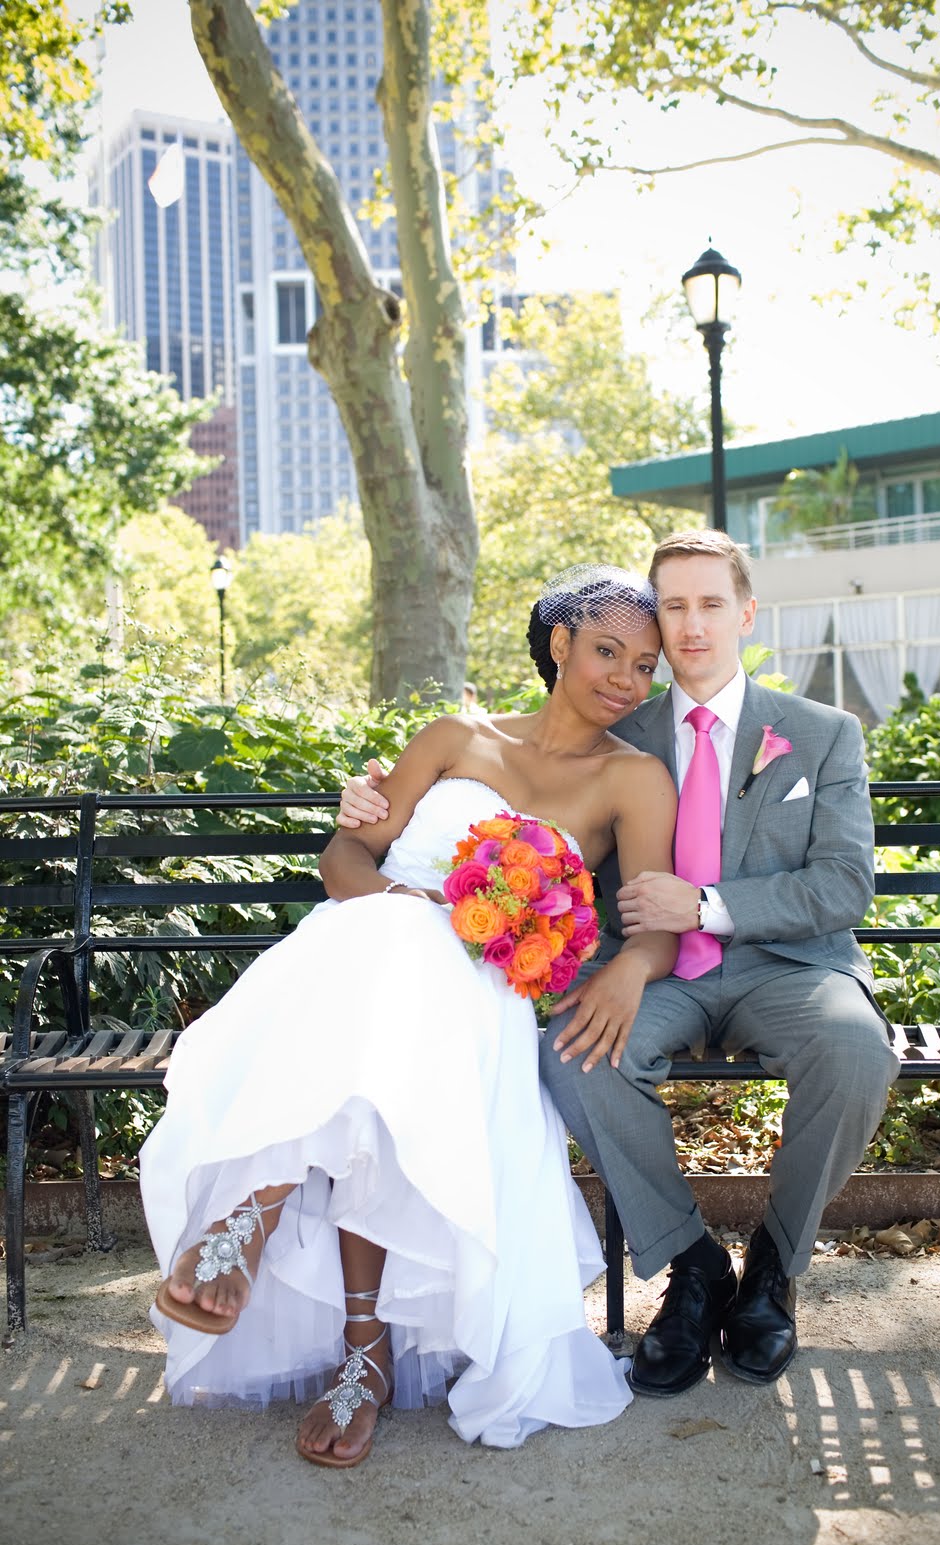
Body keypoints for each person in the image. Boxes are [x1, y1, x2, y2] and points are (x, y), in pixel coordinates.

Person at [140, 563, 679, 1464]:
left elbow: (653, 919)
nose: (626, 679)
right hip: (363, 949)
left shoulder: (634, 777)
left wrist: (631, 968)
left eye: (645, 665)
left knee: (400, 1014)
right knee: (393, 980)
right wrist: (407, 906)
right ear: (559, 644)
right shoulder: (455, 736)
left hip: (475, 992)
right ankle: (361, 1349)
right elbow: (343, 859)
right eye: (607, 652)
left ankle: (250, 1225)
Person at [340, 533, 899, 1399]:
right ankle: (692, 1264)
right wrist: (374, 796)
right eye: (673, 605)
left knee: (856, 1052)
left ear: (745, 614)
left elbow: (843, 885)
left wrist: (707, 907)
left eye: (710, 603)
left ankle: (774, 1267)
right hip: (655, 974)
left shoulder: (821, 735)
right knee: (575, 1054)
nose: (691, 625)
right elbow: (496, 796)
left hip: (789, 966)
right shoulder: (612, 723)